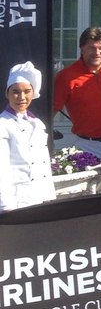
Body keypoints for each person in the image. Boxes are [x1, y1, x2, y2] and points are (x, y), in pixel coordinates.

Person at [53, 27, 101, 164]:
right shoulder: (66, 76)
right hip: (86, 145)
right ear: (81, 48)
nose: (97, 53)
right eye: (92, 48)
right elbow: (51, 110)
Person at [0, 63, 55, 211]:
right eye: (16, 92)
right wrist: (6, 206)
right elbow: (2, 169)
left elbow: (44, 165)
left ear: (33, 93)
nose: (21, 97)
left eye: (27, 91)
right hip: (16, 202)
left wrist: (50, 197)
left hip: (40, 198)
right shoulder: (2, 125)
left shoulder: (38, 124)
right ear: (7, 93)